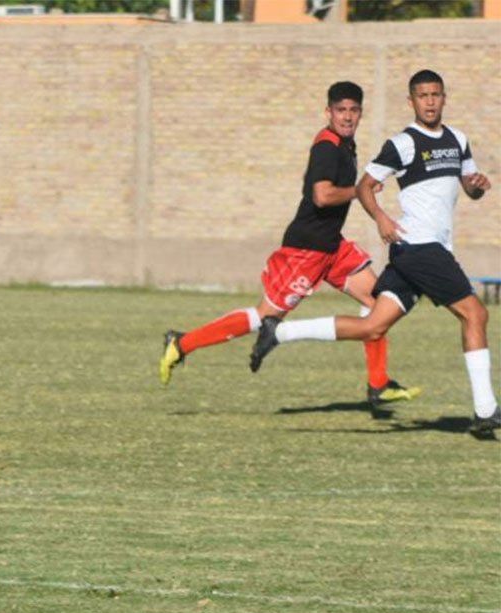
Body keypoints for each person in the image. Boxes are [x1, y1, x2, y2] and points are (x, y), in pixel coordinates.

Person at [250, 70, 498, 438]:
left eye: (436, 95)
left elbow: (468, 186)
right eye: (422, 95)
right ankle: (486, 410)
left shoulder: (458, 140)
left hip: (422, 250)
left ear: (444, 98)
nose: (430, 101)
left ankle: (278, 333)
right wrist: (381, 218)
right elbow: (366, 186)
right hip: (419, 247)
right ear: (411, 101)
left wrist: (477, 187)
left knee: (372, 326)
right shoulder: (402, 144)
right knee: (475, 313)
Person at [159, 81, 418, 409]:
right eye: (341, 110)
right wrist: (360, 190)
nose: (347, 116)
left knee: (378, 300)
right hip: (306, 250)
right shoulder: (327, 147)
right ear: (329, 112)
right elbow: (321, 196)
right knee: (265, 317)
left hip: (332, 248)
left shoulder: (345, 144)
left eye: (353, 111)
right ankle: (182, 343)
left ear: (360, 113)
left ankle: (378, 383)